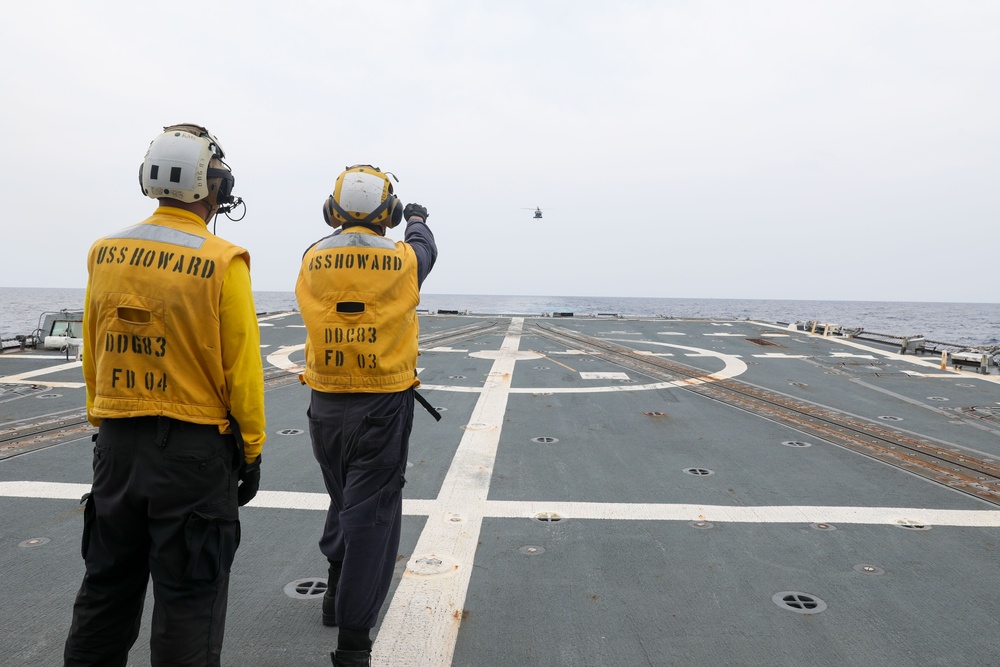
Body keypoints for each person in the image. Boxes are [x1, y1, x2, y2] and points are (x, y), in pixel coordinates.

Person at [64, 124, 266, 667]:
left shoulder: (104, 253)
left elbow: (93, 351)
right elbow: (241, 369)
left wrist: (105, 425)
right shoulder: (224, 260)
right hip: (193, 458)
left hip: (116, 445)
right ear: (213, 187)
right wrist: (251, 448)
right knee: (188, 607)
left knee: (104, 594)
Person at [295, 165, 438, 667]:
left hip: (325, 404)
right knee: (372, 518)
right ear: (390, 213)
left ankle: (334, 593)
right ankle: (354, 643)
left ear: (333, 211)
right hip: (381, 405)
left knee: (341, 495)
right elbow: (426, 249)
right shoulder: (403, 258)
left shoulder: (314, 257)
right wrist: (416, 218)